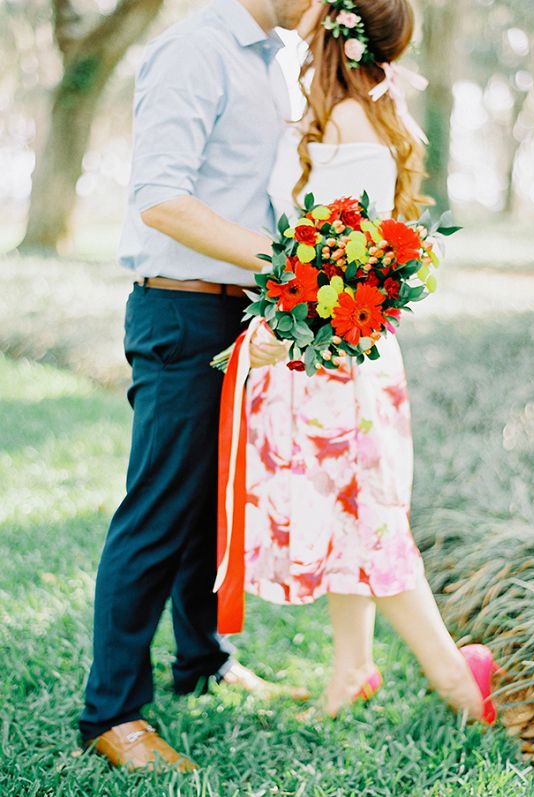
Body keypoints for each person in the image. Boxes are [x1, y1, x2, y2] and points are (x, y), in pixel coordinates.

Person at [243, 0, 499, 722]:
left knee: (375, 526)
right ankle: (352, 667)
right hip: (337, 356)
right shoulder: (354, 114)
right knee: (351, 516)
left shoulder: (352, 120)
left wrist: (278, 332)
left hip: (336, 358)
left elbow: (344, 268)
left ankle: (458, 683)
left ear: (337, 29)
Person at [79, 0, 311, 772]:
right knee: (158, 509)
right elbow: (163, 198)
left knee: (214, 501)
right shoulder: (194, 50)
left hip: (238, 313)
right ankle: (111, 714)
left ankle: (203, 660)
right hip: (180, 310)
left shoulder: (271, 61)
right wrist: (294, 266)